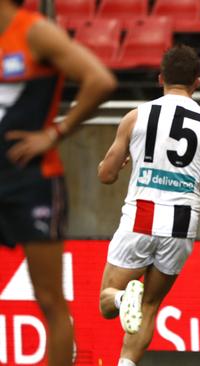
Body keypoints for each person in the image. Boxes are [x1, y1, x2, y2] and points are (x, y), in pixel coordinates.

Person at [96, 44, 200, 366]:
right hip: (182, 222)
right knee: (149, 306)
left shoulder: (137, 116)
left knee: (108, 303)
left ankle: (122, 297)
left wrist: (117, 166)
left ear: (160, 78)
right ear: (198, 82)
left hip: (142, 212)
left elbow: (106, 175)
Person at [0, 0, 116, 364]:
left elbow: (101, 80)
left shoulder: (34, 31)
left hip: (33, 181)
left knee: (49, 299)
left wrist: (55, 133)